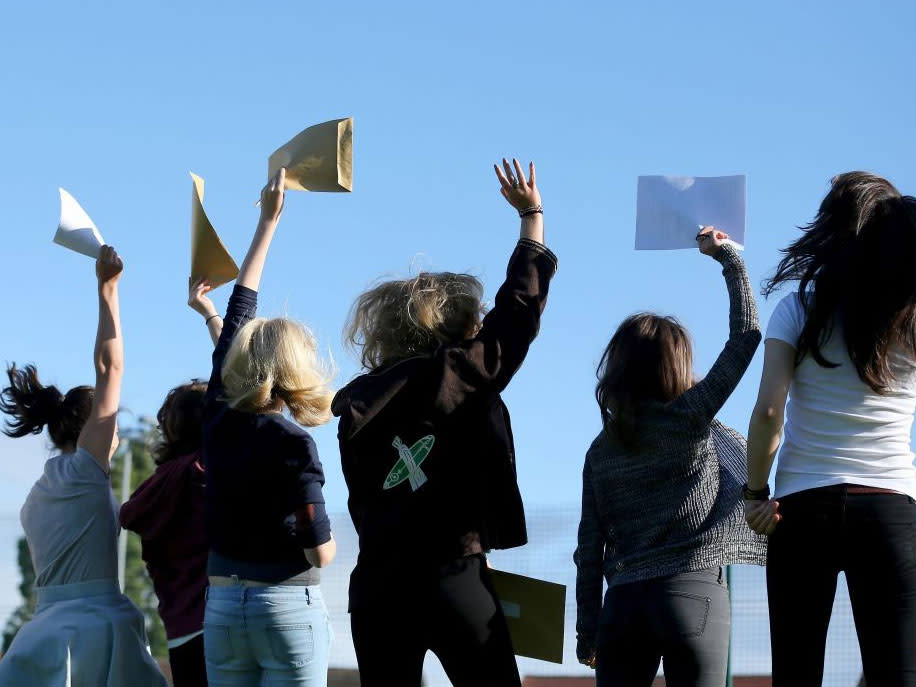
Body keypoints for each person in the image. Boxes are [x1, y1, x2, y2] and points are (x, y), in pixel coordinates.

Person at [332, 158, 558, 687]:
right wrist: (532, 221)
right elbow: (518, 314)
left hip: (378, 585)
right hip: (452, 575)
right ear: (456, 329)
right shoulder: (455, 374)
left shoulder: (355, 403)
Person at [574, 227, 766, 687]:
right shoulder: (690, 416)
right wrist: (730, 261)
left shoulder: (600, 451)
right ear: (678, 366)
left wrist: (587, 632)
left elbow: (589, 550)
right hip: (694, 593)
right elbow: (746, 337)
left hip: (622, 608)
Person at [745, 172, 916, 686]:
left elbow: (769, 413)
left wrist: (756, 491)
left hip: (800, 512)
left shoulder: (798, 309)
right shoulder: (909, 319)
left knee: (796, 675)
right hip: (890, 507)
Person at [0, 246, 167, 686]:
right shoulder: (84, 470)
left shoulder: (38, 493)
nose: (115, 434)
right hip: (94, 634)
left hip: (41, 637)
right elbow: (110, 368)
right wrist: (107, 288)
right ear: (92, 427)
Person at [201, 168, 337, 687]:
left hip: (222, 607)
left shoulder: (216, 415)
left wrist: (267, 223)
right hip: (285, 603)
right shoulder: (293, 443)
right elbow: (318, 548)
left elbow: (239, 311)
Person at [119, 278, 223, 687]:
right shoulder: (207, 470)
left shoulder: (154, 489)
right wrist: (212, 316)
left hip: (179, 635)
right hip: (224, 624)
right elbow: (238, 379)